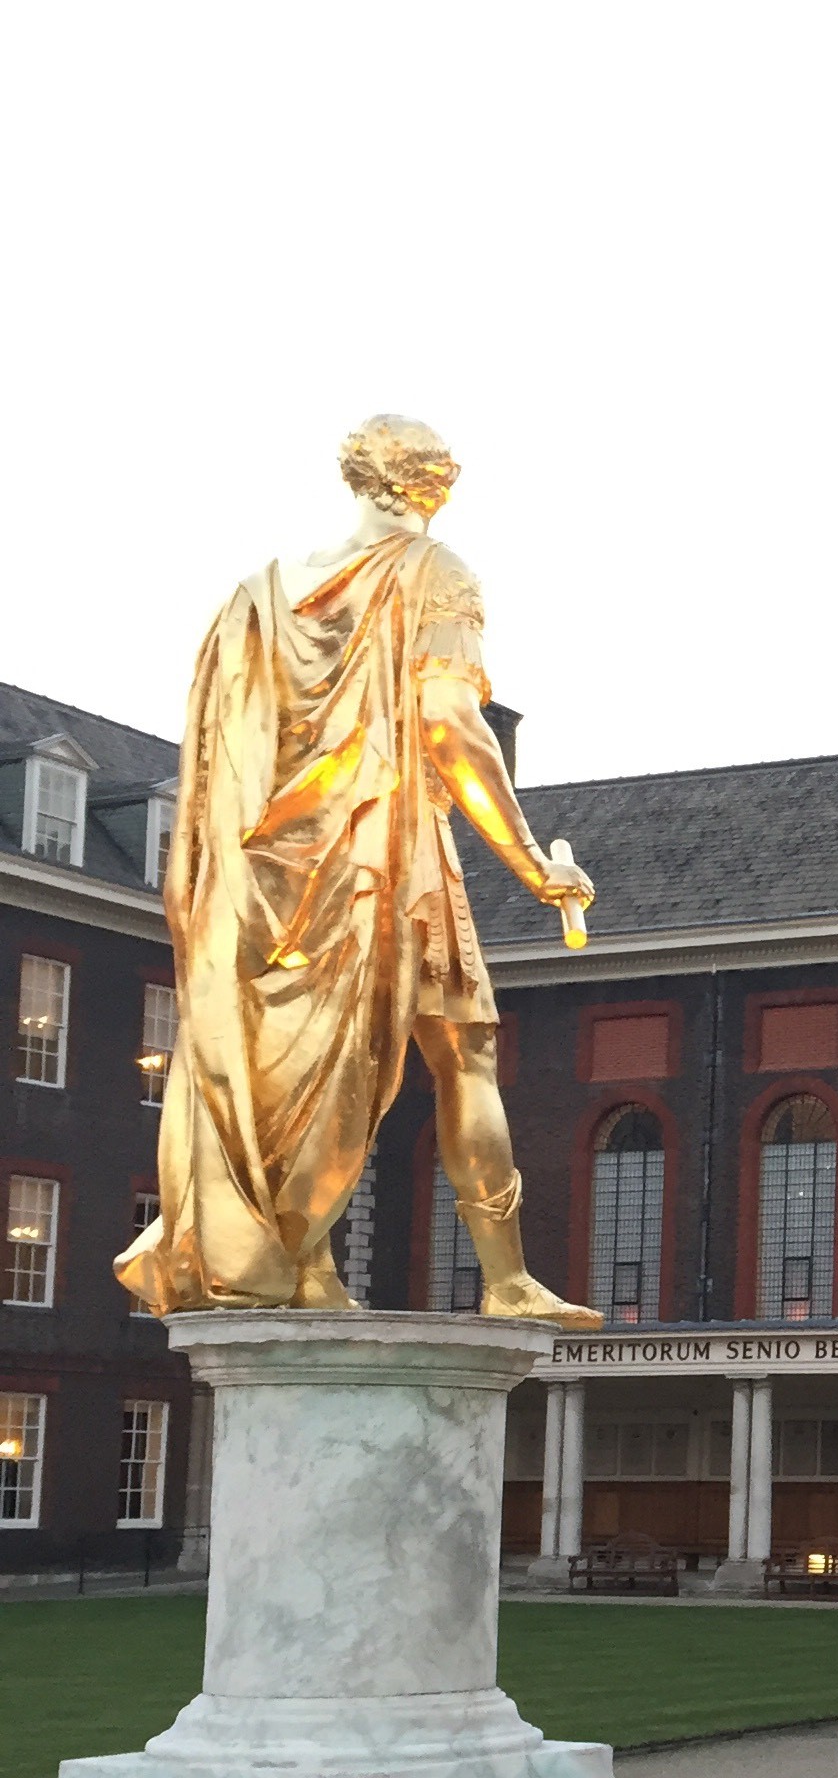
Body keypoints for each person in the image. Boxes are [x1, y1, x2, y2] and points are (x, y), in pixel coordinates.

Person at [117, 415, 602, 1325]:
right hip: (388, 850)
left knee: (299, 1060)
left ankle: (309, 1271)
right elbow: (449, 724)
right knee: (462, 1050)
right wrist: (534, 863)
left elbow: (226, 758)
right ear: (431, 483)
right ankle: (505, 1282)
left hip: (268, 874)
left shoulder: (260, 594)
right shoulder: (435, 570)